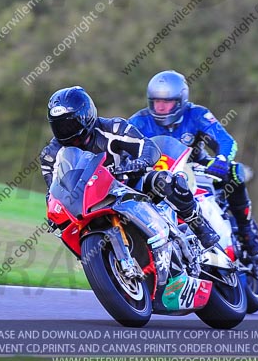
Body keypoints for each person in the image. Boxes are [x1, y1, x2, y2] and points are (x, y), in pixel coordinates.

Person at [40, 86, 220, 248]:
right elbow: (54, 190)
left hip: (128, 183)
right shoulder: (51, 154)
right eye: (60, 127)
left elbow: (148, 147)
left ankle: (200, 226)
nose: (67, 131)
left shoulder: (113, 128)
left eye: (71, 123)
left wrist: (139, 162)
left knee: (164, 179)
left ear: (86, 115)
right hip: (89, 200)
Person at [129, 71, 258, 256]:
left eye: (166, 102)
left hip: (198, 168)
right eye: (156, 102)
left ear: (180, 101)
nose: (160, 108)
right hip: (158, 176)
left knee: (234, 172)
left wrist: (222, 160)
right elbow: (123, 147)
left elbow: (226, 141)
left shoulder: (197, 114)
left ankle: (247, 230)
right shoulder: (139, 121)